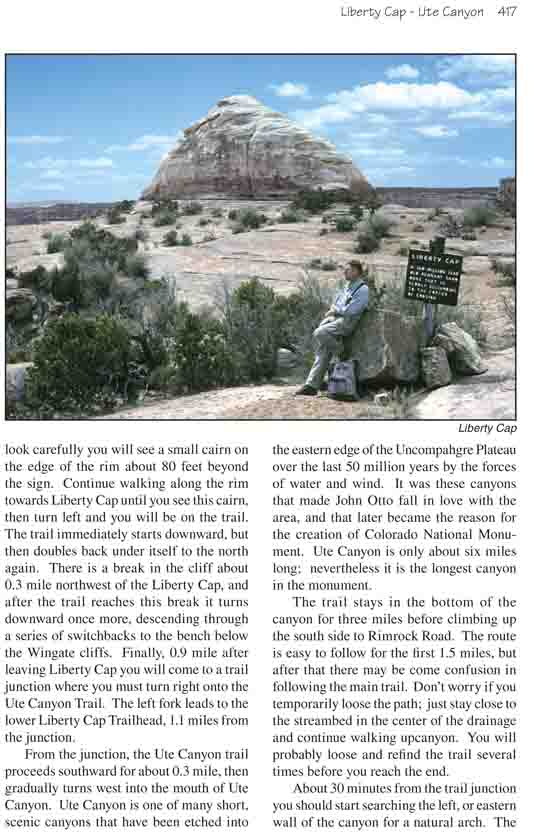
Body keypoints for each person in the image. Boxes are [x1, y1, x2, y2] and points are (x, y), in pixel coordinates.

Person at [296, 260, 369, 396]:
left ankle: (341, 352)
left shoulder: (363, 289)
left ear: (356, 272)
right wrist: (333, 311)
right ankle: (311, 385)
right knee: (323, 349)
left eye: (348, 269)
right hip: (336, 319)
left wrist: (336, 311)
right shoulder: (347, 286)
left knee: (319, 333)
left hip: (347, 322)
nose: (344, 272)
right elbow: (336, 303)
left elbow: (353, 309)